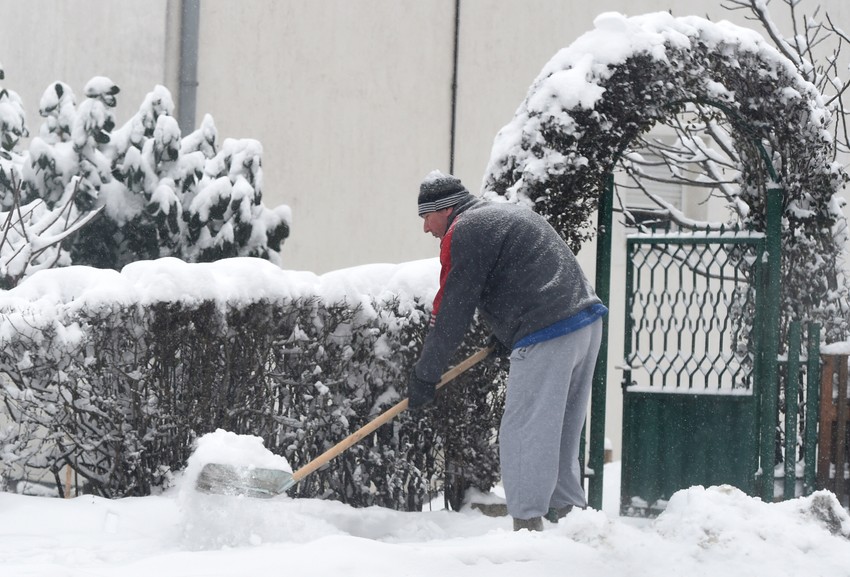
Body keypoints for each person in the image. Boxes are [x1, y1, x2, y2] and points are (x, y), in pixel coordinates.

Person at [407, 170, 607, 532]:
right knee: (559, 431)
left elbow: (452, 308)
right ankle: (573, 525)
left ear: (445, 209)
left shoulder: (465, 230)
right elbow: (522, 275)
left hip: (548, 329)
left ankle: (527, 528)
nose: (425, 228)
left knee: (524, 431)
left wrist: (426, 372)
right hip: (584, 323)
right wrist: (506, 332)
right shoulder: (501, 215)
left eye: (426, 217)